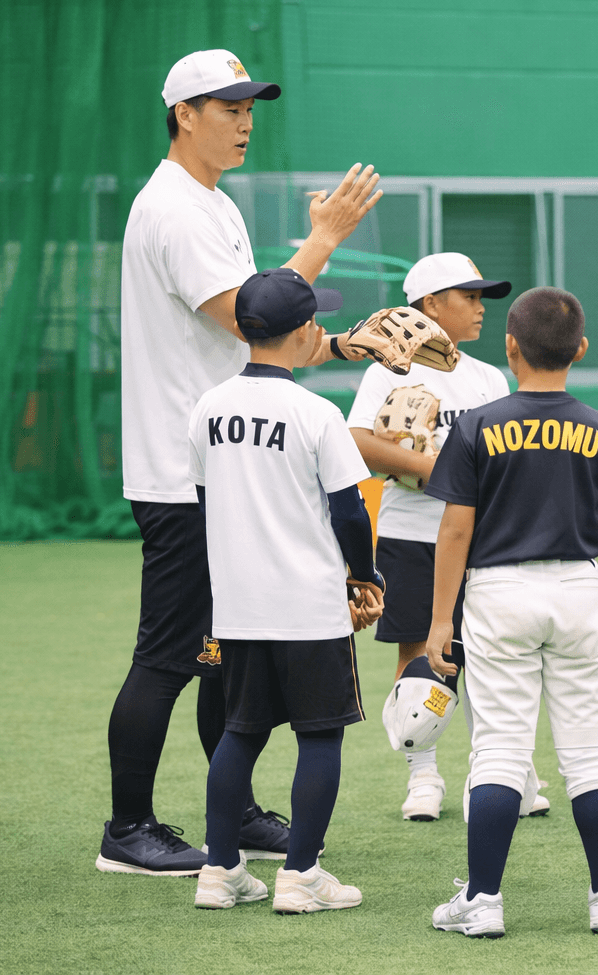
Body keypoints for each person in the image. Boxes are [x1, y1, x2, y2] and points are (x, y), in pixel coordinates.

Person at [105, 48, 384, 876]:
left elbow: (266, 332)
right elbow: (248, 315)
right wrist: (322, 240)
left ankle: (236, 813)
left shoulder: (212, 202)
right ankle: (127, 830)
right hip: (182, 473)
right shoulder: (175, 208)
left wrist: (342, 343)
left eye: (250, 107)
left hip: (221, 467)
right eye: (227, 107)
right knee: (168, 655)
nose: (244, 121)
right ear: (183, 114)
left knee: (227, 651)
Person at [423, 287, 598, 938]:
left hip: (498, 593)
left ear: (510, 347)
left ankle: (482, 901)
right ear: (581, 349)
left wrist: (440, 621)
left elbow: (455, 530)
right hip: (578, 589)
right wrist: (578, 497)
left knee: (498, 748)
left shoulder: (477, 425)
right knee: (591, 752)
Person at [186, 268, 379, 912]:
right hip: (308, 608)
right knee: (319, 736)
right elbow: (350, 513)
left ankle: (219, 871)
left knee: (240, 732)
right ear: (304, 330)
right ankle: (301, 876)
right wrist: (365, 575)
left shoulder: (207, 407)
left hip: (237, 606)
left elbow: (207, 504)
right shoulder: (316, 413)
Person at [346, 252, 546, 822]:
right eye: (470, 297)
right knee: (419, 655)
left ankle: (501, 772)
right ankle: (423, 777)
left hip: (483, 538)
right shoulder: (389, 370)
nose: (481, 308)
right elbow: (357, 441)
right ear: (430, 305)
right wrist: (439, 470)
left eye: (483, 297)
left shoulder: (487, 377)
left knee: (488, 657)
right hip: (412, 533)